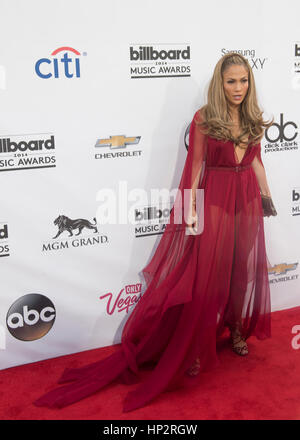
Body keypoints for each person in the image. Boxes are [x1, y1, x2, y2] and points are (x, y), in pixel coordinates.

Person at [34, 53, 277, 413]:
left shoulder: (253, 118)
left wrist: (267, 195)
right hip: (215, 200)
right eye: (231, 81)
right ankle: (193, 345)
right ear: (219, 83)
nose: (238, 88)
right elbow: (194, 167)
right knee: (205, 280)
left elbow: (256, 160)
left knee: (239, 272)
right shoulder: (205, 119)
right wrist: (190, 209)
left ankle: (235, 328)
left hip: (246, 202)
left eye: (243, 81)